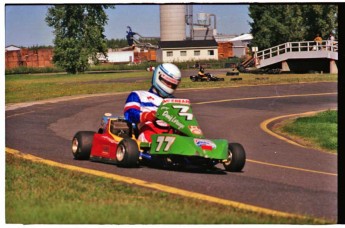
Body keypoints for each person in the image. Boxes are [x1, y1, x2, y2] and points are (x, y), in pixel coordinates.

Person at [124, 63, 182, 142]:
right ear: (159, 77)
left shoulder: (175, 102)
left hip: (172, 134)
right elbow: (129, 114)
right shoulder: (138, 95)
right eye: (168, 83)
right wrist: (148, 115)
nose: (170, 86)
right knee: (149, 137)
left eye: (173, 85)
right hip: (149, 131)